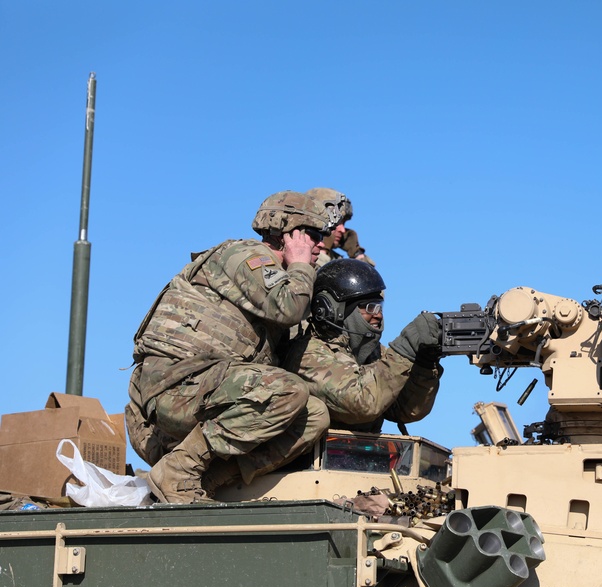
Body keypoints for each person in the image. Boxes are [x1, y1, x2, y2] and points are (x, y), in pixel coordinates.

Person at [125, 191, 333, 503]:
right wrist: (301, 263)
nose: (320, 245)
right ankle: (178, 470)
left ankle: (201, 479)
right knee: (288, 391)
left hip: (204, 389)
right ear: (288, 233)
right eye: (313, 235)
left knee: (314, 414)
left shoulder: (275, 278)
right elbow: (289, 307)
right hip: (175, 387)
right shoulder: (245, 256)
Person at [282, 259, 443, 434]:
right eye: (369, 308)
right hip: (314, 459)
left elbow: (404, 410)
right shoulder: (309, 355)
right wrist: (404, 350)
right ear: (332, 310)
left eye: (380, 307)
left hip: (356, 458)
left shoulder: (374, 353)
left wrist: (424, 365)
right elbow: (362, 404)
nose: (379, 315)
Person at [305, 187, 376, 267]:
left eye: (344, 223)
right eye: (337, 222)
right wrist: (322, 250)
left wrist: (357, 253)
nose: (342, 230)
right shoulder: (296, 252)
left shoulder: (335, 259)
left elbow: (367, 277)